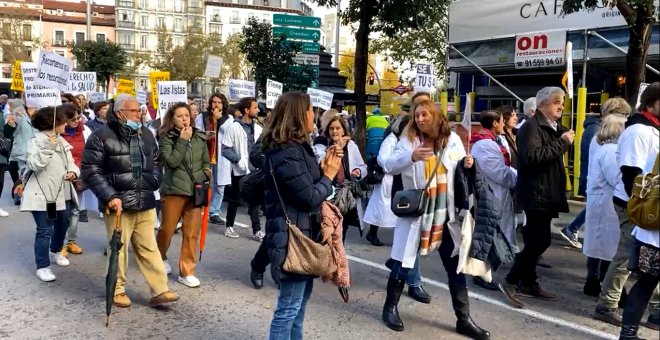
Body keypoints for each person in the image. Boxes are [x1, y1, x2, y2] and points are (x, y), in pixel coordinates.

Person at [380, 99, 489, 340]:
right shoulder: (408, 140)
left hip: (445, 215)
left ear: (436, 116)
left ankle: (464, 319)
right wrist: (412, 157)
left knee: (455, 267)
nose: (420, 119)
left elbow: (460, 169)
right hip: (417, 213)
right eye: (417, 115)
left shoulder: (452, 140)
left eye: (425, 114)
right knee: (402, 263)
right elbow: (388, 165)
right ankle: (390, 308)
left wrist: (469, 165)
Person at [82, 93, 178, 308]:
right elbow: (91, 171)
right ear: (120, 113)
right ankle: (117, 290)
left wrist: (153, 181)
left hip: (144, 199)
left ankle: (160, 290)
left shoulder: (145, 134)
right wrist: (110, 196)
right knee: (119, 249)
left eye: (139, 110)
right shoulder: (101, 136)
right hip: (118, 204)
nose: (139, 114)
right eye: (134, 111)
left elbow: (155, 161)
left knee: (149, 248)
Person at [261, 91, 342, 340]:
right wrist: (328, 176)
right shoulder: (287, 151)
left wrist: (324, 168)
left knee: (298, 307)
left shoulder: (297, 148)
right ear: (299, 114)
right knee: (288, 309)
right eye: (310, 110)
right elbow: (308, 196)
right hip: (293, 238)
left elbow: (304, 183)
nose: (314, 115)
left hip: (303, 234)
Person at [499, 87, 575, 308]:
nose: (561, 106)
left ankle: (529, 282)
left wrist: (563, 139)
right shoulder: (531, 127)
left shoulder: (552, 127)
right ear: (542, 105)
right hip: (536, 191)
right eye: (556, 102)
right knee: (541, 240)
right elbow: (532, 157)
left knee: (534, 239)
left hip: (547, 191)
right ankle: (511, 280)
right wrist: (562, 142)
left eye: (562, 102)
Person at [596, 83, 660, 331]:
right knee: (627, 256)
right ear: (652, 102)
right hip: (637, 204)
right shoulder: (637, 130)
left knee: (653, 261)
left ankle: (655, 310)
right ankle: (607, 304)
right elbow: (631, 171)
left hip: (652, 203)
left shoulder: (653, 128)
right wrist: (643, 205)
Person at [364, 112, 432, 304]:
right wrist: (409, 158)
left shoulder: (423, 140)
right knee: (410, 240)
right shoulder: (395, 140)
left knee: (412, 242)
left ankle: (398, 265)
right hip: (402, 193)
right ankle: (413, 283)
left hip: (417, 196)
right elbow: (385, 162)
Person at [560, 98, 633, 250]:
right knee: (602, 242)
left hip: (596, 184)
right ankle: (572, 229)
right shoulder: (605, 142)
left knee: (597, 235)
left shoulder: (597, 134)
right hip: (601, 187)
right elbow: (613, 174)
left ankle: (572, 229)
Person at [21, 106, 79, 282]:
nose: (66, 123)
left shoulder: (61, 140)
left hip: (60, 193)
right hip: (40, 194)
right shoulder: (35, 141)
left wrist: (73, 172)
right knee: (44, 230)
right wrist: (48, 147)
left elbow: (71, 162)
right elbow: (35, 164)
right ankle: (43, 266)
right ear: (53, 123)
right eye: (62, 120)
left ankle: (55, 251)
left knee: (63, 225)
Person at [156, 102, 211, 288]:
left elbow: (206, 162)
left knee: (191, 232)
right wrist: (182, 140)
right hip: (174, 190)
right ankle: (160, 257)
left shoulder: (200, 137)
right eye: (180, 116)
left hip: (195, 190)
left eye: (186, 115)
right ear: (172, 119)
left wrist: (204, 174)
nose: (184, 119)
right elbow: (171, 162)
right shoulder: (166, 137)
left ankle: (187, 271)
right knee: (167, 230)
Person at [470, 110, 517, 291]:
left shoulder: (492, 141)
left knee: (492, 233)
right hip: (492, 194)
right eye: (502, 122)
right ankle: (481, 275)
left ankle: (485, 272)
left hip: (496, 194)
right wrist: (516, 178)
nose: (504, 125)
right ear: (495, 123)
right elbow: (499, 172)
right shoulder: (484, 145)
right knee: (488, 234)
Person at [581, 114, 628, 298]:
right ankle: (610, 288)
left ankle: (594, 282)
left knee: (600, 247)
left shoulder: (605, 148)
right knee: (609, 249)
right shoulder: (610, 151)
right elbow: (616, 178)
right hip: (606, 205)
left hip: (602, 203)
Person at [314, 116, 366, 243]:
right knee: (327, 232)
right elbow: (321, 162)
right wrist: (336, 148)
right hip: (328, 195)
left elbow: (363, 166)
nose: (335, 131)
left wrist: (358, 172)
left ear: (344, 131)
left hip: (346, 197)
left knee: (341, 232)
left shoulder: (351, 146)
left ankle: (336, 259)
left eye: (338, 128)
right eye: (332, 128)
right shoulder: (322, 144)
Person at [221, 96, 263, 240]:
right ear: (246, 110)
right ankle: (229, 227)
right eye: (255, 107)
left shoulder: (258, 128)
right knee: (235, 200)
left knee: (254, 202)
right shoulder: (234, 126)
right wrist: (237, 160)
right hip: (239, 170)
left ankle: (257, 230)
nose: (258, 110)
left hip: (255, 171)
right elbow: (225, 149)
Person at [59, 104, 93, 256]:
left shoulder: (84, 131)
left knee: (75, 210)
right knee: (61, 212)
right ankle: (60, 243)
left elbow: (88, 153)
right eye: (73, 118)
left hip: (78, 176)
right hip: (61, 178)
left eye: (79, 117)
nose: (77, 121)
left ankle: (71, 241)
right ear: (64, 119)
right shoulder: (57, 133)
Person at [207, 93, 231, 225]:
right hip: (206, 155)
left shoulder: (228, 118)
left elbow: (228, 131)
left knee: (219, 186)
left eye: (219, 102)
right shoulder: (204, 117)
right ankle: (200, 206)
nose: (216, 105)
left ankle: (214, 212)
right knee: (203, 184)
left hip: (221, 157)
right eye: (214, 102)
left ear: (223, 105)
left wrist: (219, 119)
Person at [0, 111, 9, 217]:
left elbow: (6, 134)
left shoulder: (1, 113)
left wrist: (10, 125)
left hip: (1, 152)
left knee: (0, 181)